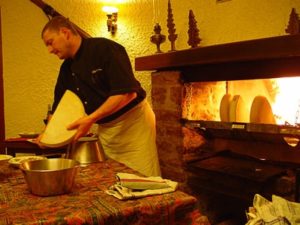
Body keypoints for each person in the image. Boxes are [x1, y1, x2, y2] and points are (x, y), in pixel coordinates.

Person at [38, 16, 161, 177]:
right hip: (107, 131)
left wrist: (90, 119)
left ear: (65, 33)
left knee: (145, 180)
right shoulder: (66, 70)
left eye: (50, 42)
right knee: (117, 179)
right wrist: (47, 134)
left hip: (134, 125)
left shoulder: (105, 49)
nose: (50, 50)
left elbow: (126, 94)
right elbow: (58, 108)